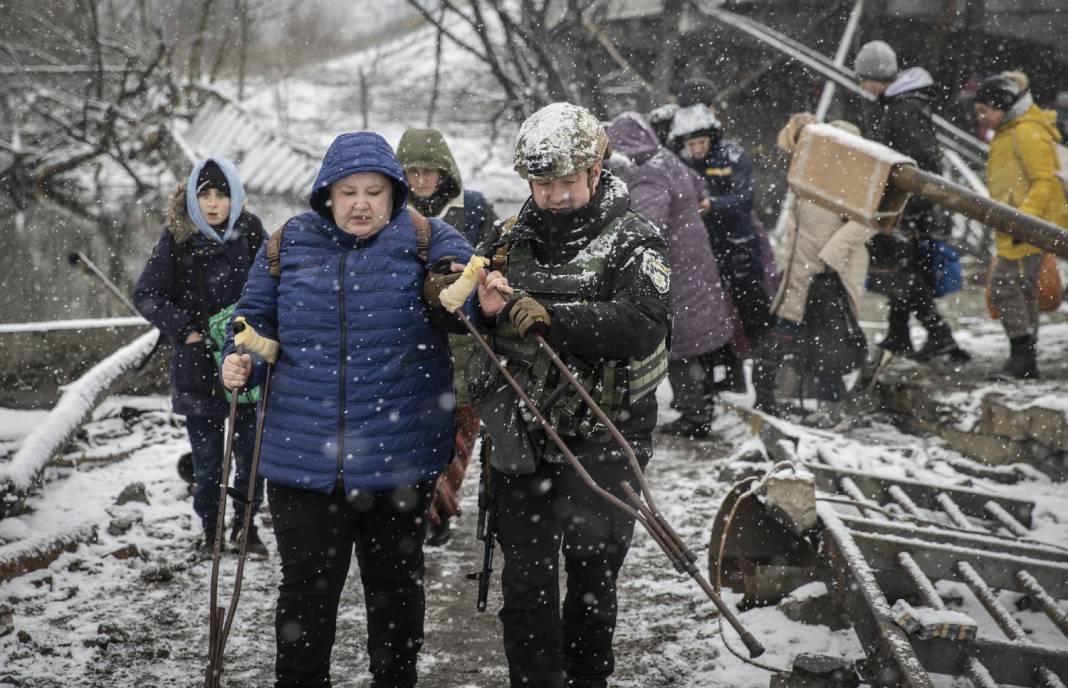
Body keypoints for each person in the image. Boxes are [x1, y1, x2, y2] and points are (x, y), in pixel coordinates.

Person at [219, 131, 474, 688]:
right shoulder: (286, 244)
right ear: (326, 196)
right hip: (301, 462)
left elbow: (472, 300)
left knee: (396, 594)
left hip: (397, 459)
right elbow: (251, 322)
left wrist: (476, 292)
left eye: (375, 192)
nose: (361, 203)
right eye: (349, 191)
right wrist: (239, 360)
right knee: (306, 600)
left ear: (395, 194)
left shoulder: (431, 239)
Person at [471, 102, 671, 688]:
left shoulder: (637, 239)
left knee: (592, 577)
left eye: (565, 182)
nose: (555, 196)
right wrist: (464, 302)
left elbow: (643, 322)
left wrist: (554, 317)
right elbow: (472, 324)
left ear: (595, 169)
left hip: (608, 437)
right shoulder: (507, 241)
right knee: (526, 585)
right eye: (542, 184)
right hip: (523, 441)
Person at [132, 157, 267, 557]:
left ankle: (246, 528)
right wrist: (186, 330)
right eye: (204, 194)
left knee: (250, 458)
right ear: (192, 197)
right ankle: (210, 530)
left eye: (222, 194)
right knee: (208, 462)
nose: (213, 204)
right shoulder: (178, 239)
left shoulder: (252, 232)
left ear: (235, 197)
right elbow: (146, 294)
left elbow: (274, 284)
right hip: (198, 367)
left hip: (245, 363)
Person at [396, 126, 498, 546]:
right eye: (412, 170)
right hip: (410, 337)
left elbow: (494, 256)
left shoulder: (471, 209)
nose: (420, 179)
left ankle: (440, 509)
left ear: (446, 173)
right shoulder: (391, 209)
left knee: (460, 432)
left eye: (429, 171)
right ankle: (419, 509)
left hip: (464, 339)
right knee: (417, 433)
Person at [605, 111, 733, 440]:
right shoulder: (667, 160)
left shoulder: (648, 175)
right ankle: (702, 404)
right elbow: (699, 184)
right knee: (694, 341)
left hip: (676, 271)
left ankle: (695, 415)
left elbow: (647, 228)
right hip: (696, 263)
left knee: (677, 343)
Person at [753, 115, 876, 427]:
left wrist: (830, 257)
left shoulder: (849, 169)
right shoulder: (810, 173)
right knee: (790, 336)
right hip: (801, 271)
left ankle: (829, 408)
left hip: (830, 273)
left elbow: (867, 221)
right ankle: (766, 399)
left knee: (828, 343)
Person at [854, 40, 969, 362]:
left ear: (877, 78)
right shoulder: (898, 105)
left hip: (909, 209)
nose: (862, 85)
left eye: (864, 78)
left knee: (901, 275)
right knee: (902, 272)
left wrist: (909, 207)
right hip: (908, 207)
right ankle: (899, 334)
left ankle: (938, 334)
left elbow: (924, 166)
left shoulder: (903, 110)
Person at [974, 71, 1068, 379]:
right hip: (1018, 225)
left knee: (1004, 287)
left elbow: (1044, 181)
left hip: (1028, 225)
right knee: (1023, 289)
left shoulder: (1025, 131)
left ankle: (1022, 354)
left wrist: (1021, 221)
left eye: (984, 111)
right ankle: (1025, 359)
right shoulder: (1011, 129)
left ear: (1001, 105)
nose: (982, 118)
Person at [669, 104, 772, 345]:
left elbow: (745, 198)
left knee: (752, 304)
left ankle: (763, 350)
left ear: (711, 138)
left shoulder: (733, 156)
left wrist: (713, 205)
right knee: (713, 308)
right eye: (690, 144)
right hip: (705, 248)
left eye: (700, 143)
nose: (695, 149)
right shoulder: (681, 164)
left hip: (739, 244)